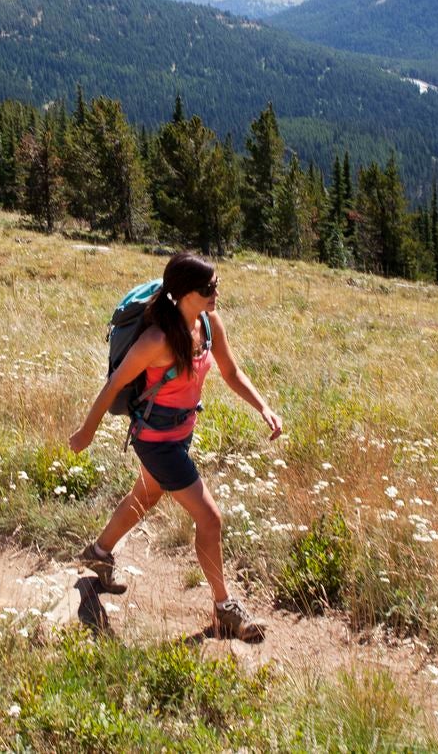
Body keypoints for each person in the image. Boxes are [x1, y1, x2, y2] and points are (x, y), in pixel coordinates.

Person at [67, 252, 283, 640]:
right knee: (210, 518)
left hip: (181, 434)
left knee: (146, 494)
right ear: (184, 293)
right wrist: (87, 432)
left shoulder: (208, 323)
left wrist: (262, 406)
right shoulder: (156, 340)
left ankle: (97, 555)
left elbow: (232, 372)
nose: (216, 293)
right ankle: (224, 609)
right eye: (208, 288)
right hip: (155, 441)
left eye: (215, 285)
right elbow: (115, 384)